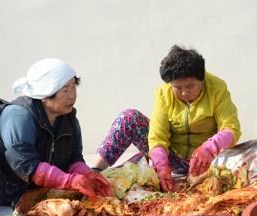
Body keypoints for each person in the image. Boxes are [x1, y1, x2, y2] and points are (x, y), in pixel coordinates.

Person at [0, 58, 111, 216]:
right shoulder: (19, 115)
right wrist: (69, 181)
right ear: (44, 95)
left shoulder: (69, 120)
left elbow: (74, 158)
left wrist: (89, 176)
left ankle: (19, 200)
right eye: (65, 90)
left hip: (21, 188)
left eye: (73, 87)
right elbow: (23, 164)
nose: (72, 96)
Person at [93, 45, 241, 191]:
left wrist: (208, 149)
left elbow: (231, 128)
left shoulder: (217, 88)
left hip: (207, 160)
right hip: (173, 160)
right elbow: (157, 137)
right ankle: (94, 172)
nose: (184, 93)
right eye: (178, 87)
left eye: (190, 86)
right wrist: (162, 166)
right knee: (128, 118)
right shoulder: (164, 93)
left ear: (201, 80)